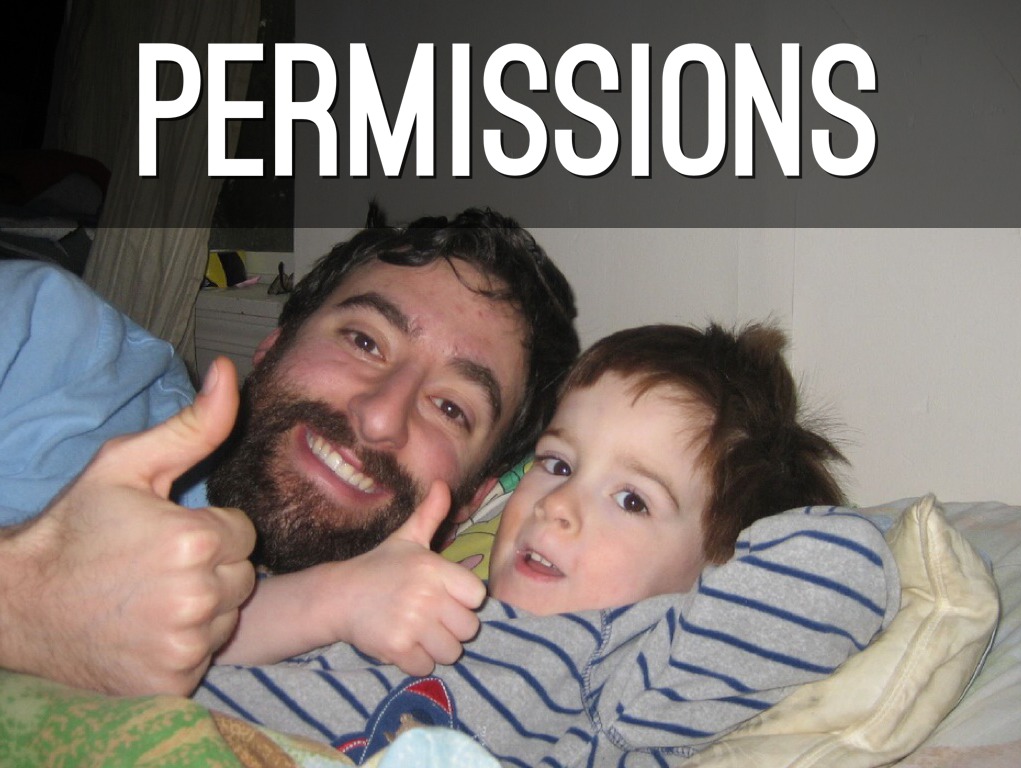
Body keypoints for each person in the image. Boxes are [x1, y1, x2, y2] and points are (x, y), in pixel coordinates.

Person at [196, 323, 901, 766]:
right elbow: (191, 635)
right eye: (558, 464)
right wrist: (332, 601)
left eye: (633, 500)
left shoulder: (628, 674)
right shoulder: (409, 579)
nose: (556, 505)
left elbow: (845, 568)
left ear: (714, 577)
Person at [0, 205, 580, 696]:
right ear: (274, 344)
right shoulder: (48, 335)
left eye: (451, 408)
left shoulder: (405, 667)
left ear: (471, 499)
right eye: (364, 341)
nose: (380, 416)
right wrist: (29, 597)